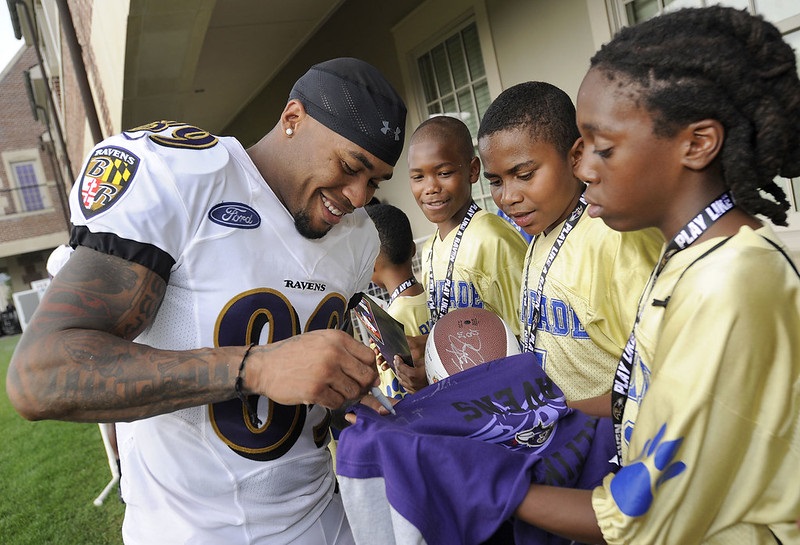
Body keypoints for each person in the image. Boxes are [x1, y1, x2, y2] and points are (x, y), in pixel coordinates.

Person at [6, 57, 407, 544]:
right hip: (193, 530)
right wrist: (253, 368)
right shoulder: (183, 176)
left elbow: (311, 366)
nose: (359, 196)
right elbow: (39, 375)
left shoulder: (358, 235)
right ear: (293, 118)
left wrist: (348, 388)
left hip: (322, 514)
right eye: (349, 167)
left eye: (375, 181)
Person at [514, 7, 800, 543]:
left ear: (696, 144)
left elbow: (643, 515)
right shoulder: (687, 258)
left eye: (603, 146)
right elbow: (647, 398)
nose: (585, 167)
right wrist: (552, 411)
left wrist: (489, 486)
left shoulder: (731, 280)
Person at [477, 82, 663, 411]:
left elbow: (661, 382)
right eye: (495, 181)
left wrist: (561, 414)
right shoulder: (541, 232)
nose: (507, 198)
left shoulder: (617, 239)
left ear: (575, 157)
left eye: (525, 174)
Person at [396, 115, 528, 393]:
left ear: (472, 170)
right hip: (461, 395)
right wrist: (425, 350)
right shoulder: (430, 247)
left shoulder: (492, 239)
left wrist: (444, 373)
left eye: (443, 173)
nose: (430, 187)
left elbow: (527, 336)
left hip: (500, 395)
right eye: (418, 177)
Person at [364, 202, 429, 399]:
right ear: (413, 250)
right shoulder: (436, 297)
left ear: (370, 264)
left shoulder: (386, 324)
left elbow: (393, 389)